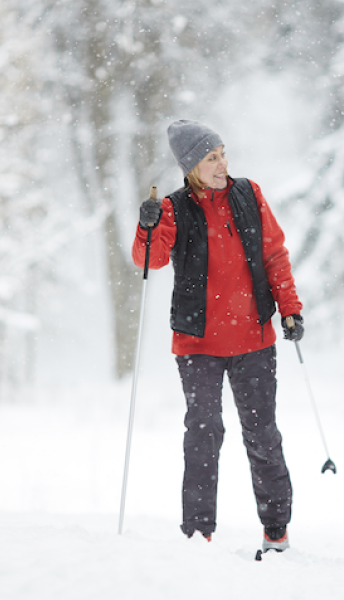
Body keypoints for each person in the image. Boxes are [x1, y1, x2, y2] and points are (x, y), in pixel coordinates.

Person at [133, 120, 303, 553]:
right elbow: (148, 260)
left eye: (223, 153)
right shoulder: (173, 208)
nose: (222, 163)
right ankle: (198, 534)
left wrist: (290, 309)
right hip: (199, 343)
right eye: (212, 157)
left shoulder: (249, 194)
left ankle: (276, 531)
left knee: (262, 434)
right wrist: (146, 226)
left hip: (254, 338)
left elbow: (274, 252)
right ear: (191, 166)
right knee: (204, 431)